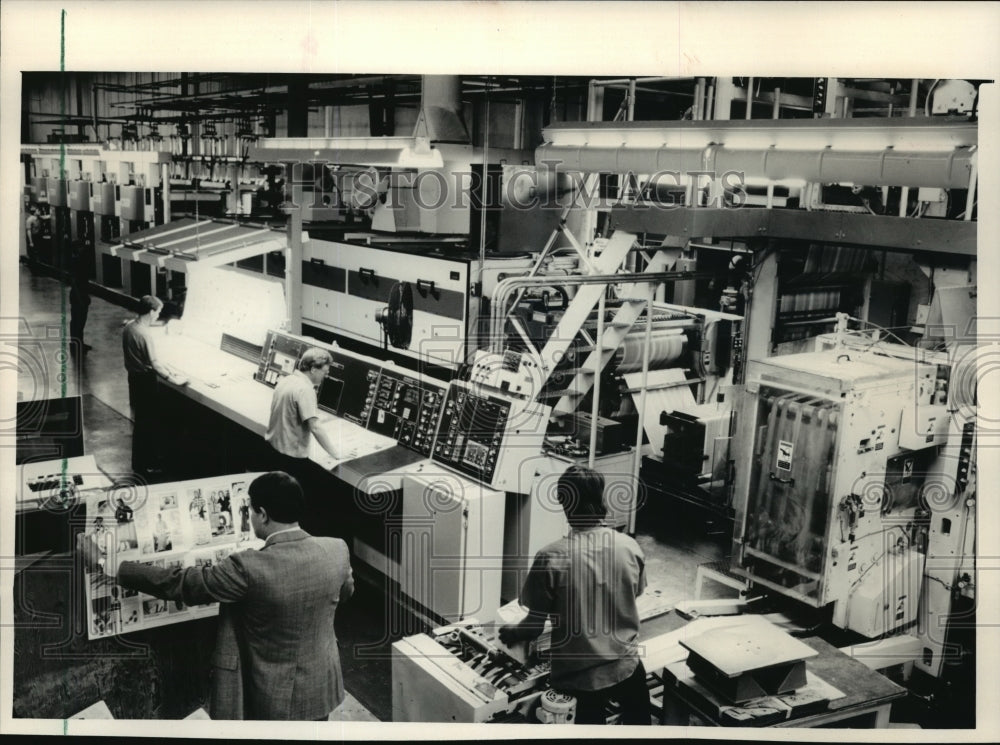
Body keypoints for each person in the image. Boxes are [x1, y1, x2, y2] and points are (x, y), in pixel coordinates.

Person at [78, 471, 355, 721]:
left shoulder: (249, 567)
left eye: (249, 510)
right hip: (321, 687)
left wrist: (106, 563)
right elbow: (344, 594)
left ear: (263, 514)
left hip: (272, 697)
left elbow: (183, 583)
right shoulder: (337, 550)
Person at [498, 465, 649, 726]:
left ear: (564, 502)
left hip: (580, 679)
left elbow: (533, 627)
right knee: (642, 732)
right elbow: (633, 594)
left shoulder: (551, 557)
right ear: (600, 498)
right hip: (627, 667)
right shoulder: (629, 546)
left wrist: (510, 633)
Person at [122, 295, 188, 476]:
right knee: (148, 423)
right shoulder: (145, 334)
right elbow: (155, 364)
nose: (159, 315)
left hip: (133, 379)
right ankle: (147, 464)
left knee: (141, 422)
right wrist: (173, 379)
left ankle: (139, 463)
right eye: (158, 312)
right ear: (151, 312)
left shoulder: (129, 327)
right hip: (145, 381)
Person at [68, 245, 92, 354]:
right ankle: (76, 345)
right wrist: (81, 299)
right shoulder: (75, 262)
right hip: (78, 296)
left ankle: (79, 343)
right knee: (78, 321)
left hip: (81, 295)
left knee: (80, 321)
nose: (83, 248)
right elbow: (74, 283)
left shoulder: (79, 261)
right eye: (80, 247)